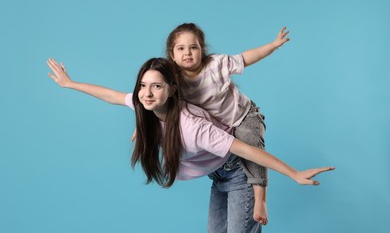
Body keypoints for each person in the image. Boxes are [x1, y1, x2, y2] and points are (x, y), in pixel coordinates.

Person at [47, 57, 334, 233]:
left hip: (239, 174)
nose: (146, 93)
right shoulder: (143, 103)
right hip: (218, 177)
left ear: (171, 90)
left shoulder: (192, 127)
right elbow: (109, 95)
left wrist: (294, 173)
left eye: (156, 86)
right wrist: (70, 84)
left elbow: (247, 150)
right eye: (143, 86)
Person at [166, 23, 289, 225]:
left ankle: (260, 199)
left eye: (193, 47)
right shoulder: (174, 80)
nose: (188, 53)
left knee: (250, 145)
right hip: (222, 130)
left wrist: (272, 45)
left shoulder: (216, 64)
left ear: (202, 50)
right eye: (181, 48)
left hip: (242, 116)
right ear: (172, 54)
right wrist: (141, 125)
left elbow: (247, 58)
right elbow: (157, 100)